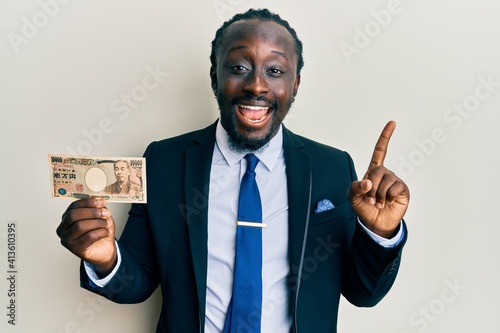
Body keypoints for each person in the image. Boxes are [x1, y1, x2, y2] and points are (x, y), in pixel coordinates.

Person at [56, 8, 410, 333]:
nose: (256, 85)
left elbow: (363, 293)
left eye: (275, 71)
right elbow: (138, 282)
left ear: (295, 85)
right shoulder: (163, 161)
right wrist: (105, 258)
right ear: (214, 77)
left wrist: (381, 234)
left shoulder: (333, 168)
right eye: (239, 67)